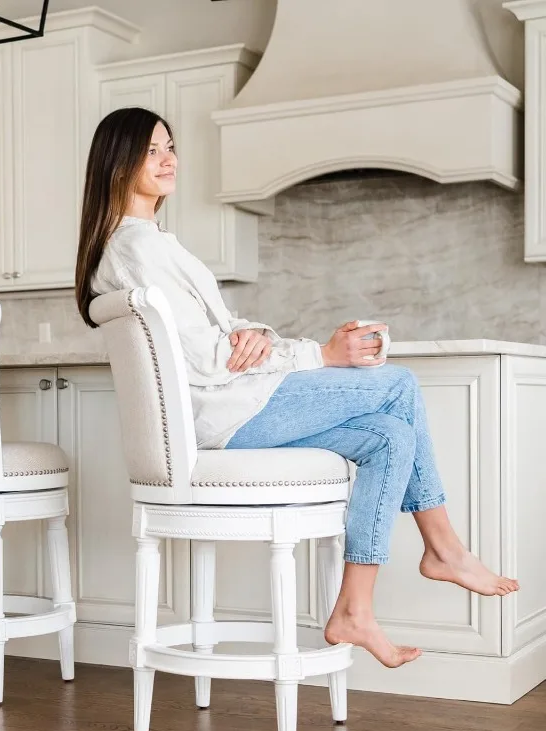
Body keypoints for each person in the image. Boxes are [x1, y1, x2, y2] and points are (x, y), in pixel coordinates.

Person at [74, 107, 519, 668]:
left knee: (388, 438)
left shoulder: (143, 244)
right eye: (151, 151)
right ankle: (446, 549)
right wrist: (320, 354)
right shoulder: (139, 248)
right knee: (398, 384)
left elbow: (216, 333)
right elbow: (208, 360)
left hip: (224, 409)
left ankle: (355, 610)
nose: (169, 160)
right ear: (118, 164)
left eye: (170, 147)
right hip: (223, 415)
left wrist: (253, 331)